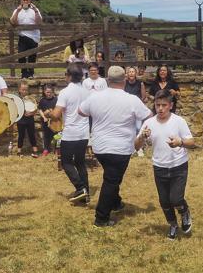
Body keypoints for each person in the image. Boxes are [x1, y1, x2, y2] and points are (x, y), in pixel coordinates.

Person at [79, 66, 153, 227]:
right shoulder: (131, 99)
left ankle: (116, 203)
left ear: (107, 81)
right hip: (121, 148)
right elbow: (149, 116)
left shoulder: (95, 97)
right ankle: (101, 217)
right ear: (124, 80)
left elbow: (81, 111)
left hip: (99, 147)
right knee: (111, 180)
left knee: (112, 176)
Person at [134, 90, 195, 240]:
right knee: (164, 201)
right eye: (157, 105)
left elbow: (191, 142)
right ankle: (173, 225)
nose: (160, 108)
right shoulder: (148, 123)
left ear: (171, 105)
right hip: (159, 166)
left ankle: (184, 212)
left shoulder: (179, 121)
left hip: (179, 166)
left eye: (164, 105)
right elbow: (136, 146)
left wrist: (180, 142)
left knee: (176, 199)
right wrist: (142, 136)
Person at [51, 63, 91, 203]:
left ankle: (80, 188)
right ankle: (85, 194)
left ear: (69, 76)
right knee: (80, 162)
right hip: (84, 133)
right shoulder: (87, 91)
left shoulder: (65, 92)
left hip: (71, 133)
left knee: (66, 162)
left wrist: (50, 113)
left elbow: (56, 114)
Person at [10, 0, 42, 78]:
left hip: (34, 37)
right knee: (21, 55)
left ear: (30, 0)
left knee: (32, 56)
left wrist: (35, 9)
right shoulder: (17, 10)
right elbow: (13, 22)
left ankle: (31, 73)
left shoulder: (35, 10)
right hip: (23, 36)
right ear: (21, 0)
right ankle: (24, 73)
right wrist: (17, 11)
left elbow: (39, 22)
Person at [16, 80, 39, 158]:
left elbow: (35, 109)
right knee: (21, 135)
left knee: (32, 135)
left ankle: (35, 151)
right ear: (19, 90)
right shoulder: (17, 99)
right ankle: (19, 151)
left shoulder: (31, 99)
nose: (24, 91)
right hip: (20, 120)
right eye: (23, 89)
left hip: (30, 120)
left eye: (26, 90)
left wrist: (31, 113)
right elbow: (15, 110)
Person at [38, 84, 58, 157]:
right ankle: (46, 149)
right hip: (45, 121)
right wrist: (44, 117)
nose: (49, 94)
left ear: (53, 92)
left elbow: (58, 109)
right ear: (44, 92)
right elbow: (40, 109)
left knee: (56, 135)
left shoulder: (56, 100)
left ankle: (56, 149)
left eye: (50, 92)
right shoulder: (42, 100)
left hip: (55, 121)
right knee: (46, 135)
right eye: (47, 92)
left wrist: (53, 113)